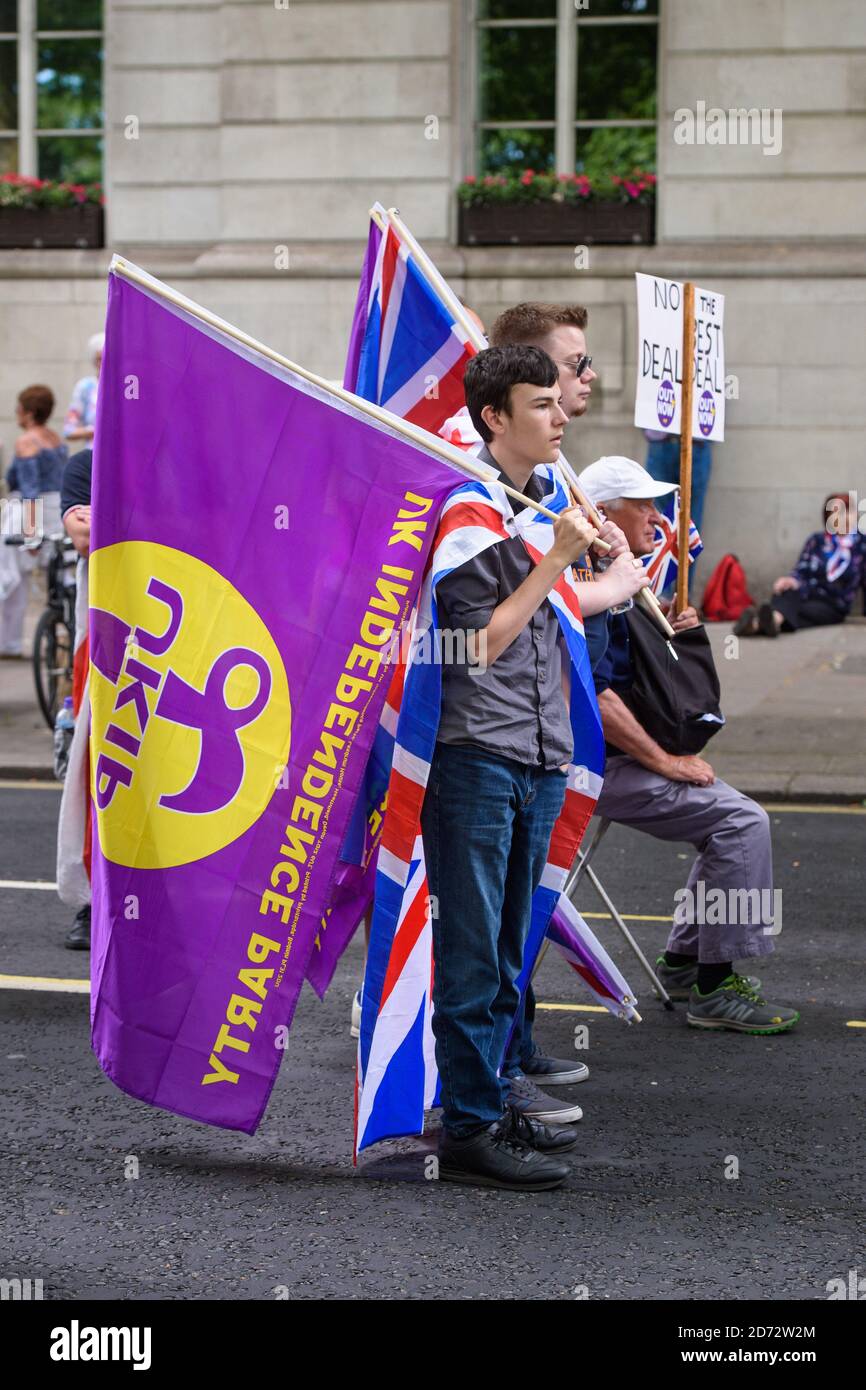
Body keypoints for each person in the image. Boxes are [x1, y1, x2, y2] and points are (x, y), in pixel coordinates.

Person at [426, 345, 598, 1191]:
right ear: (495, 418)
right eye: (541, 405)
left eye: (558, 402)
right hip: (478, 760)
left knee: (506, 954)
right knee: (471, 954)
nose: (561, 415)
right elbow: (471, 646)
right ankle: (466, 1128)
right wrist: (556, 560)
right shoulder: (469, 513)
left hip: (536, 756)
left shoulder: (532, 508)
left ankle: (491, 1101)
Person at [577, 455, 800, 1035]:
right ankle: (713, 985)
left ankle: (683, 960)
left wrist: (668, 635)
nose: (659, 516)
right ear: (602, 513)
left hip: (618, 756)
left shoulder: (615, 576)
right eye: (644, 505)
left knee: (728, 821)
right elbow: (597, 698)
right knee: (743, 822)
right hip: (595, 766)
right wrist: (666, 761)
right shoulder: (586, 580)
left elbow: (630, 674)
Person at [734, 493, 866, 638]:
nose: (844, 517)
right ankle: (769, 622)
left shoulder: (861, 545)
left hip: (832, 604)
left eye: (848, 511)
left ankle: (758, 623)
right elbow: (801, 571)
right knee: (786, 592)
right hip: (804, 592)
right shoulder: (817, 541)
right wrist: (790, 580)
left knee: (798, 610)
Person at [0, 385, 67, 657]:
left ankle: (9, 641)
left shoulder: (27, 441)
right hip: (57, 511)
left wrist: (30, 531)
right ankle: (63, 630)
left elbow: (29, 488)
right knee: (59, 574)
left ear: (27, 412)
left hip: (29, 512)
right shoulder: (56, 439)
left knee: (12, 579)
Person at [58, 447, 93, 950]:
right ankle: (94, 900)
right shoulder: (89, 462)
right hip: (110, 637)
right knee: (100, 762)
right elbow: (83, 535)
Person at [643, 427, 712, 537]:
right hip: (660, 438)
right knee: (657, 515)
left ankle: (686, 553)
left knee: (691, 519)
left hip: (696, 441)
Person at [63, 333, 103, 443]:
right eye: (100, 359)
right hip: (93, 454)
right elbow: (69, 430)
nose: (104, 364)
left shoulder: (125, 386)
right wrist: (97, 431)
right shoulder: (86, 386)